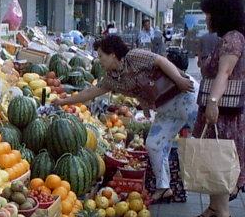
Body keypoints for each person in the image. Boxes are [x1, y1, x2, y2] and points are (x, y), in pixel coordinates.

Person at [53, 35, 198, 202]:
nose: (99, 60)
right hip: (165, 110)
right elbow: (89, 92)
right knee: (153, 144)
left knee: (205, 138)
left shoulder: (133, 57)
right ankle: (164, 187)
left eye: (101, 56)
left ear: (113, 54)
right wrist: (63, 101)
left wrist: (179, 79)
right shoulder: (111, 79)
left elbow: (160, 61)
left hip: (184, 96)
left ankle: (217, 185)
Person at [191, 0, 245, 217]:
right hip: (218, 110)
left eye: (209, 14)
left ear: (221, 14)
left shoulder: (233, 39)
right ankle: (214, 207)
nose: (207, 19)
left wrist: (213, 102)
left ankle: (223, 214)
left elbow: (224, 73)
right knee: (210, 157)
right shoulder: (228, 38)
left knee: (219, 161)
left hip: (223, 112)